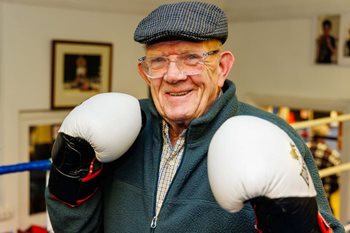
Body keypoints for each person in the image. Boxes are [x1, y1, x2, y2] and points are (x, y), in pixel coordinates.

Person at [45, 2, 345, 232]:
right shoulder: (120, 128)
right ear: (144, 72)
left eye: (191, 58)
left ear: (223, 67)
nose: (174, 76)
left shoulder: (270, 134)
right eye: (159, 61)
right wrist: (69, 177)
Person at [307, 124, 341, 213]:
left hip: (304, 200)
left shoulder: (302, 150)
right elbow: (339, 178)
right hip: (324, 203)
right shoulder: (331, 154)